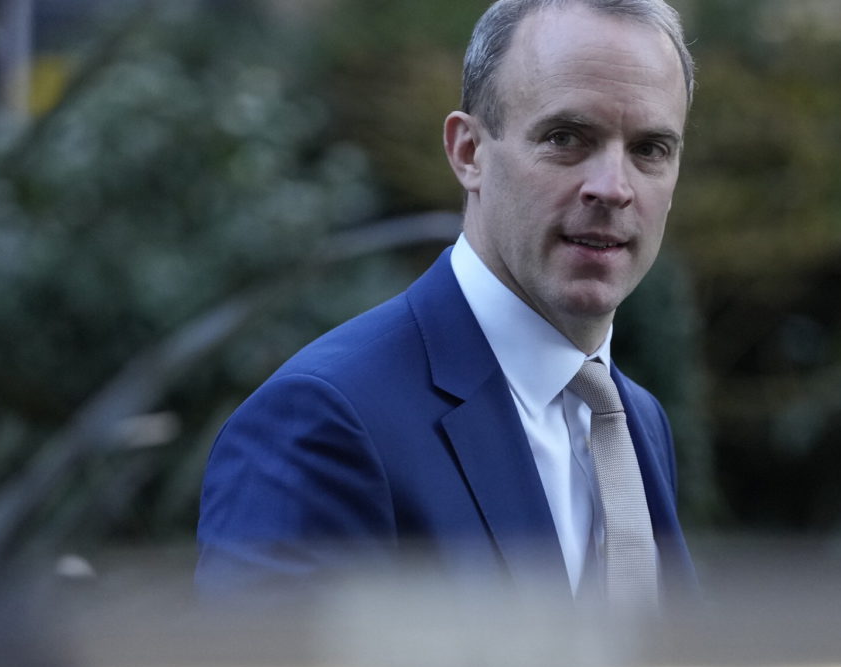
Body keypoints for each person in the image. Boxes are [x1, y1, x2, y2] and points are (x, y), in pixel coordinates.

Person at [195, 0, 698, 607]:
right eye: (567, 138)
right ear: (468, 152)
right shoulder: (321, 423)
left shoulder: (636, 421)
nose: (613, 187)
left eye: (650, 149)